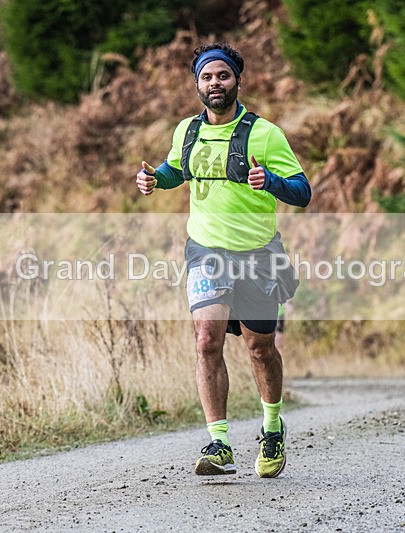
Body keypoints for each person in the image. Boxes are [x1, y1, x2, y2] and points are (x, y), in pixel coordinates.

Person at [136, 43, 311, 476]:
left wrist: (269, 180)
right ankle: (218, 443)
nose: (215, 83)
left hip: (256, 254)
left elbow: (303, 192)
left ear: (237, 80)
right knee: (205, 341)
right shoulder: (187, 131)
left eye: (223, 76)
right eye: (207, 77)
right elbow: (177, 169)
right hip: (206, 251)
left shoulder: (264, 134)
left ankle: (272, 429)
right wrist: (154, 179)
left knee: (260, 347)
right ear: (197, 83)